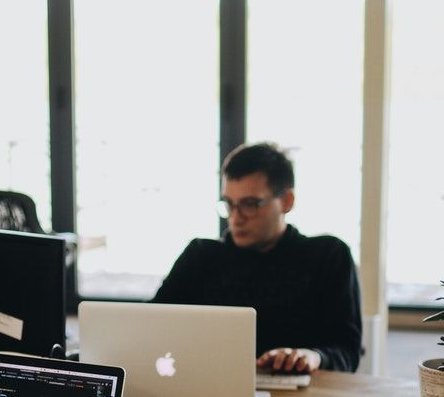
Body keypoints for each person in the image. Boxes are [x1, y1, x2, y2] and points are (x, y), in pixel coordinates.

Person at [152, 141, 362, 373]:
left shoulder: (328, 256)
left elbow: (347, 352)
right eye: (229, 204)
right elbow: (151, 326)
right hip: (209, 391)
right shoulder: (200, 256)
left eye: (250, 204)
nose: (236, 218)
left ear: (287, 201)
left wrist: (313, 356)